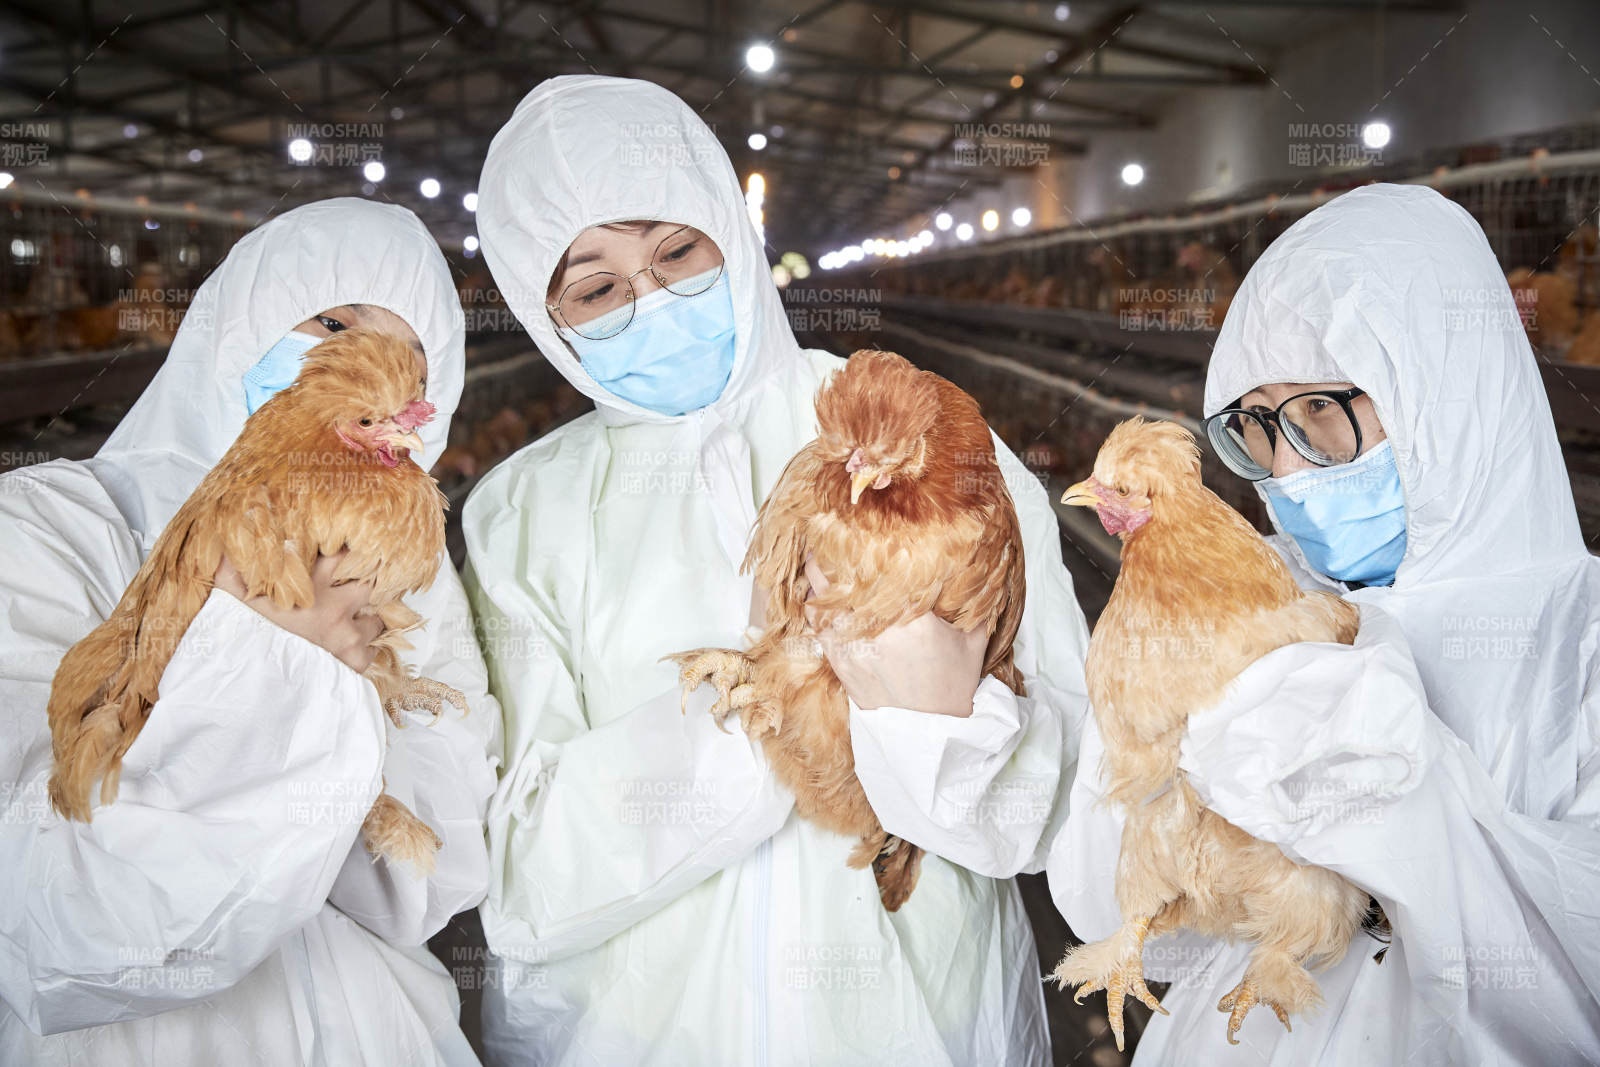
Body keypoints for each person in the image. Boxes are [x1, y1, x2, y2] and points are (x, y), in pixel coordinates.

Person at [464, 75, 1091, 1065]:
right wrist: (769, 708)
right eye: (596, 289)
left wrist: (943, 729)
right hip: (634, 1038)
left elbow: (1076, 795)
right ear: (547, 318)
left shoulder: (913, 430)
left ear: (730, 226)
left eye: (678, 251)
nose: (653, 298)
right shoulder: (520, 513)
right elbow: (521, 878)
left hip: (913, 1025)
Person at [1048, 183, 1600, 1063]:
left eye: (1318, 411)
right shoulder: (1243, 593)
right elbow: (1106, 902)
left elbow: (1575, 987)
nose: (1287, 469)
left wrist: (1398, 809)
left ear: (1442, 393)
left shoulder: (1582, 646)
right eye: (1258, 424)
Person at [0, 197, 500, 1065]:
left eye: (407, 357)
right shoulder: (45, 528)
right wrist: (275, 660)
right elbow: (47, 924)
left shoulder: (408, 575)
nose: (358, 364)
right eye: (332, 323)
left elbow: (437, 874)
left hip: (381, 1033)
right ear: (238, 321)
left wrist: (310, 738)